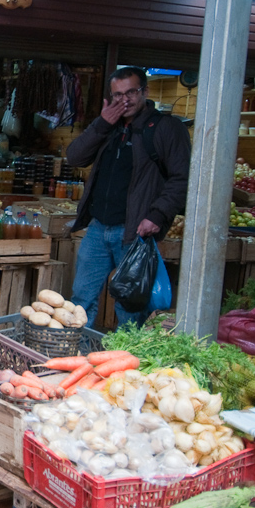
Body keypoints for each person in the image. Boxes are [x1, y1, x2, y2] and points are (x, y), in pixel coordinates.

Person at [66, 66, 191, 328]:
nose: (125, 100)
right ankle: (76, 357)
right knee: (81, 300)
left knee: (131, 305)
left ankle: (127, 361)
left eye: (131, 92)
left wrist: (157, 215)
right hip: (99, 228)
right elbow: (75, 157)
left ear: (144, 91)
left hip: (135, 232)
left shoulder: (167, 128)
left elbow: (182, 179)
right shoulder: (108, 126)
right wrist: (101, 124)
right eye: (118, 95)